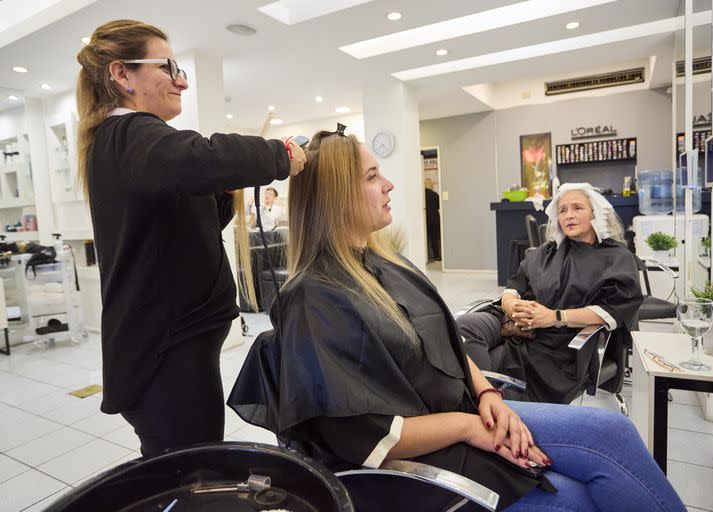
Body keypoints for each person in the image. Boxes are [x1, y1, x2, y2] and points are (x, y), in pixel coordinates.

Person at [229, 130, 684, 511]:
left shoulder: (388, 263)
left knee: (613, 432)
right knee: (580, 498)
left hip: (464, 411)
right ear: (337, 195)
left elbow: (444, 344)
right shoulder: (315, 299)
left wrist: (487, 394)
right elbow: (367, 439)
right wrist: (472, 427)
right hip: (427, 456)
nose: (390, 184)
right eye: (373, 176)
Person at [75, 19, 305, 457]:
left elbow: (182, 229)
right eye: (168, 66)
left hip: (181, 350)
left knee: (195, 461)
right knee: (189, 473)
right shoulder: (127, 135)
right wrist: (279, 155)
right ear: (122, 74)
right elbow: (201, 155)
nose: (181, 80)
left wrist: (221, 194)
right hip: (166, 358)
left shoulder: (137, 148)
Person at [457, 183, 642, 404]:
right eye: (562, 210)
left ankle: (487, 404)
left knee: (481, 367)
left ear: (595, 213)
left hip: (556, 343)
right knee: (462, 328)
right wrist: (510, 304)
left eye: (577, 208)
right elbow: (515, 284)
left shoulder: (616, 257)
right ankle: (488, 402)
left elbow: (614, 309)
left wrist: (554, 318)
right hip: (515, 322)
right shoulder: (548, 251)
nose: (569, 215)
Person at [424, 178, 441, 262]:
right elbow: (439, 206)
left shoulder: (422, 195)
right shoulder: (434, 194)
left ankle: (427, 257)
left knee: (425, 238)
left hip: (425, 218)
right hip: (434, 218)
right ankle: (437, 256)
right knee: (434, 238)